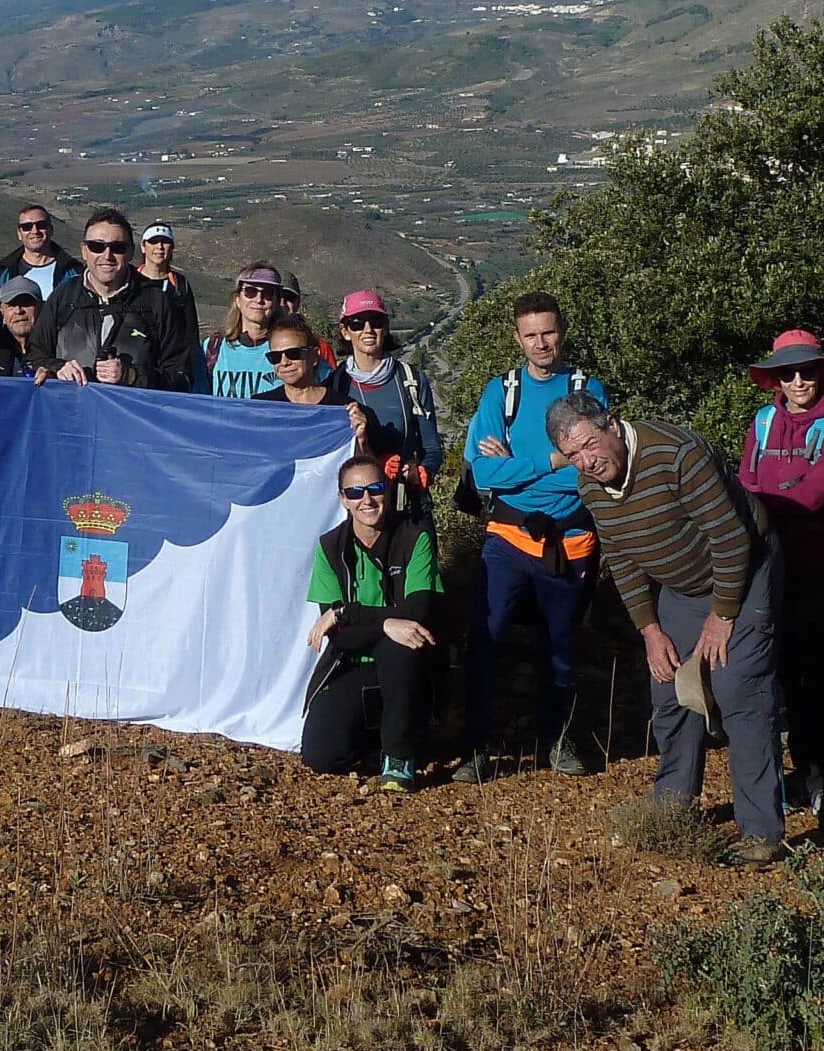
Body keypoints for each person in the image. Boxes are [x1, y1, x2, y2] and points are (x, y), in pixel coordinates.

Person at [547, 391, 789, 865]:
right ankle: (674, 805)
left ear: (612, 425)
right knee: (671, 687)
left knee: (739, 688)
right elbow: (621, 557)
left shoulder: (676, 454)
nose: (586, 461)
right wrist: (650, 629)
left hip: (745, 567)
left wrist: (723, 615)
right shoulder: (590, 487)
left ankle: (761, 829)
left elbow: (729, 537)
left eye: (590, 445)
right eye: (573, 454)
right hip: (680, 585)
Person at [457, 292, 608, 782]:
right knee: (485, 636)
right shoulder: (501, 391)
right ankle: (478, 744)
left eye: (549, 331)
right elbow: (481, 474)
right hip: (508, 535)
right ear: (517, 338)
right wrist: (550, 460)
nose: (542, 343)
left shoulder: (588, 390)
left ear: (562, 330)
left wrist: (514, 469)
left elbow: (591, 471)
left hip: (568, 540)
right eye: (531, 335)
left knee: (561, 645)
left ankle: (559, 740)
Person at [735, 330, 824, 825]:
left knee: (818, 678)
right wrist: (781, 492)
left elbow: (814, 496)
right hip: (770, 568)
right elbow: (748, 485)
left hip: (819, 570)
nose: (797, 380)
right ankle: (800, 772)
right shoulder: (764, 422)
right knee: (782, 674)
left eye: (806, 370)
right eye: (787, 372)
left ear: (821, 372)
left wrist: (771, 499)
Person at [303, 454, 444, 792]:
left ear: (387, 489)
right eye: (355, 492)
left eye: (375, 488)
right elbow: (340, 638)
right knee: (320, 758)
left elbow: (418, 613)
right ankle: (374, 744)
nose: (366, 500)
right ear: (342, 499)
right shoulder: (329, 547)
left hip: (405, 663)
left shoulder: (415, 535)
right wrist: (381, 623)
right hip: (352, 661)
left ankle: (398, 757)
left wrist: (346, 612)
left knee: (402, 643)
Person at [31, 208, 184, 388]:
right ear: (84, 251)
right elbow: (34, 356)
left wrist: (131, 375)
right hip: (71, 412)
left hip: (131, 414)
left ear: (130, 252)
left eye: (117, 248)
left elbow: (180, 376)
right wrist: (56, 368)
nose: (107, 256)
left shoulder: (157, 302)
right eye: (97, 246)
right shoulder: (63, 297)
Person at [335, 291, 442, 511]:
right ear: (345, 331)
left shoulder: (411, 380)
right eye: (357, 323)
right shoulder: (335, 386)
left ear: (385, 327)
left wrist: (422, 472)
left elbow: (431, 448)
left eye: (376, 321)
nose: (367, 329)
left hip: (408, 505)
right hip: (359, 509)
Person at [258, 318, 371, 450]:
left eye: (293, 353)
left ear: (314, 355)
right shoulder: (259, 409)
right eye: (275, 357)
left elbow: (365, 467)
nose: (284, 362)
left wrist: (362, 440)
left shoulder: (346, 411)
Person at [204, 264, 289, 399]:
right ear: (237, 299)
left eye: (267, 293)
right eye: (250, 291)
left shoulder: (292, 351)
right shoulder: (214, 347)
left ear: (277, 301)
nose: (259, 299)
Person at [0, 204, 80, 318]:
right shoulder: (4, 272)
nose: (35, 231)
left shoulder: (73, 271)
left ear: (50, 229)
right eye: (27, 227)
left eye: (41, 225)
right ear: (19, 233)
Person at [137, 223, 204, 391]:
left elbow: (190, 331)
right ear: (143, 247)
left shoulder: (180, 285)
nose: (159, 247)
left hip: (172, 374)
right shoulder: (131, 282)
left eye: (165, 242)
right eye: (153, 241)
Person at [0, 279, 48, 378]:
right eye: (11, 305)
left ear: (40, 307)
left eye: (25, 303)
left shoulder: (56, 346)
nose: (18, 311)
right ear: (2, 311)